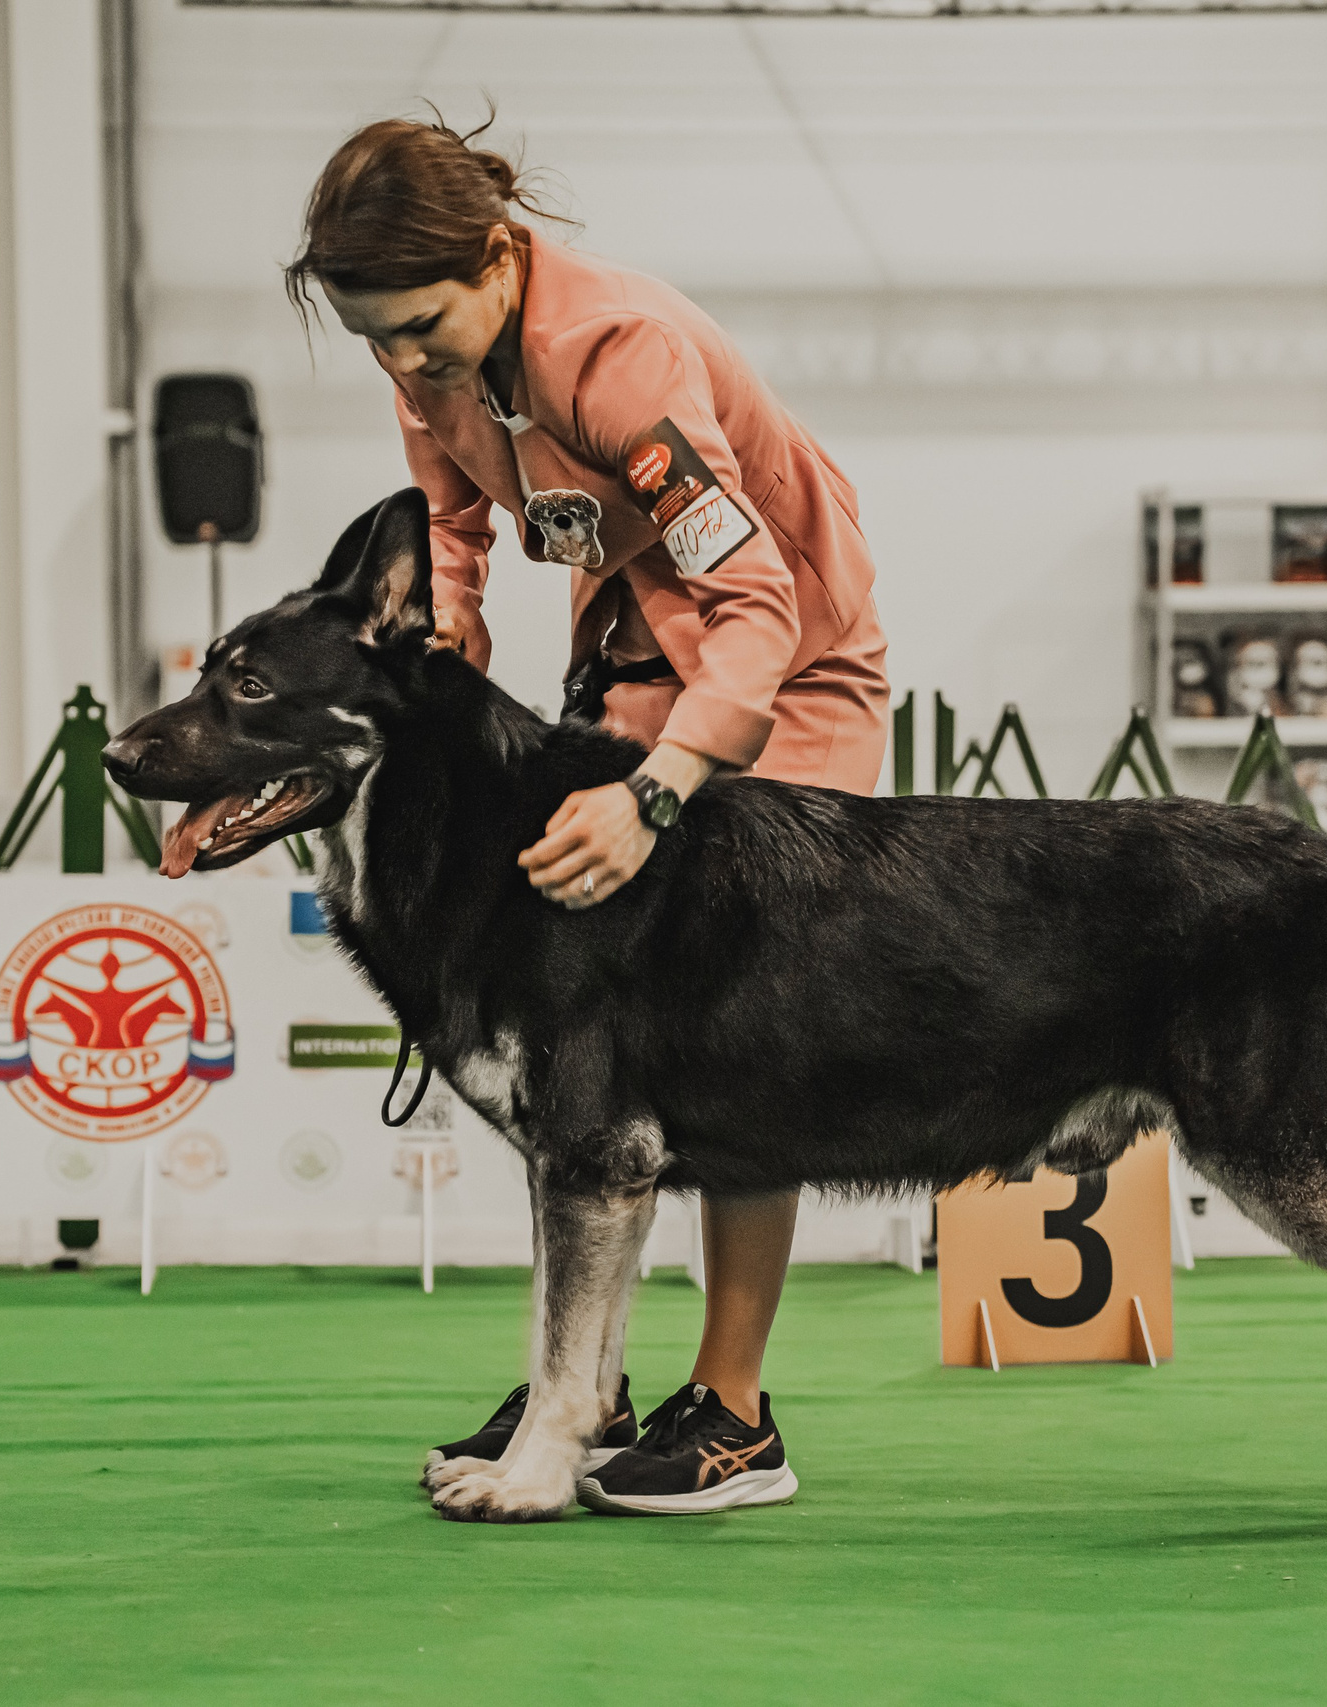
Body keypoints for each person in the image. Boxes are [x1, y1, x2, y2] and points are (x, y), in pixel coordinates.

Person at [286, 116, 891, 1515]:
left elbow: (756, 606)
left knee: (745, 1033)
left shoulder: (620, 356)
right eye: (377, 341)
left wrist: (656, 796)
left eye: (422, 329)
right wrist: (443, 645)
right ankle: (589, 1388)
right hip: (629, 645)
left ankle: (734, 1411)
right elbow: (448, 528)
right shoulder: (426, 355)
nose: (404, 364)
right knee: (577, 1045)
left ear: (499, 258)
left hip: (786, 663)